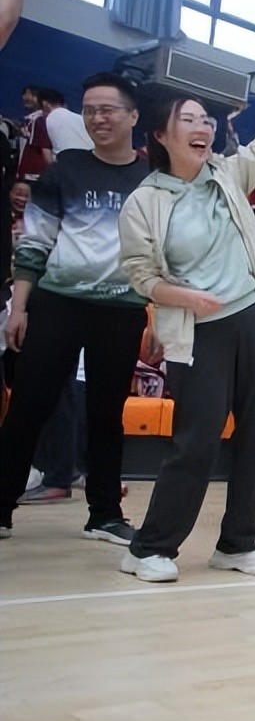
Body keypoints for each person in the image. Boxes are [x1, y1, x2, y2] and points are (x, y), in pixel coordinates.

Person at [116, 32, 255, 582]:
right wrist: (187, 298)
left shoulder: (228, 172)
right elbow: (141, 276)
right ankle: (149, 548)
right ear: (161, 134)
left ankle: (238, 543)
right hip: (198, 329)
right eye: (188, 120)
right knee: (195, 442)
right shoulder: (145, 202)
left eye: (206, 120)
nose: (203, 128)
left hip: (253, 315)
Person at [0, 72, 150, 542]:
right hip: (58, 305)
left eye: (107, 109)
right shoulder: (64, 170)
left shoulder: (153, 181)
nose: (97, 118)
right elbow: (34, 244)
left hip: (122, 311)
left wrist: (162, 317)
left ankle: (104, 515)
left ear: (133, 116)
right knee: (29, 406)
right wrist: (19, 308)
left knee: (107, 414)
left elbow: (163, 254)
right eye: (89, 111)